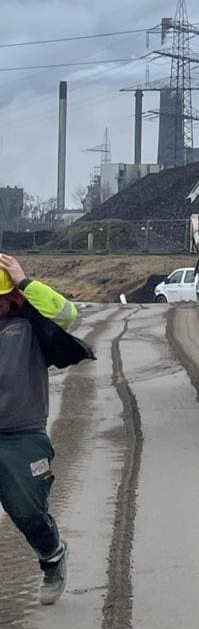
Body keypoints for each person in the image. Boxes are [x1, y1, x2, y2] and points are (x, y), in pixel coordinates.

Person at [0, 252, 94, 605]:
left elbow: (67, 314)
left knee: (27, 511)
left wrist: (24, 281)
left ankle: (53, 557)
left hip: (22, 433)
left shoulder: (30, 321)